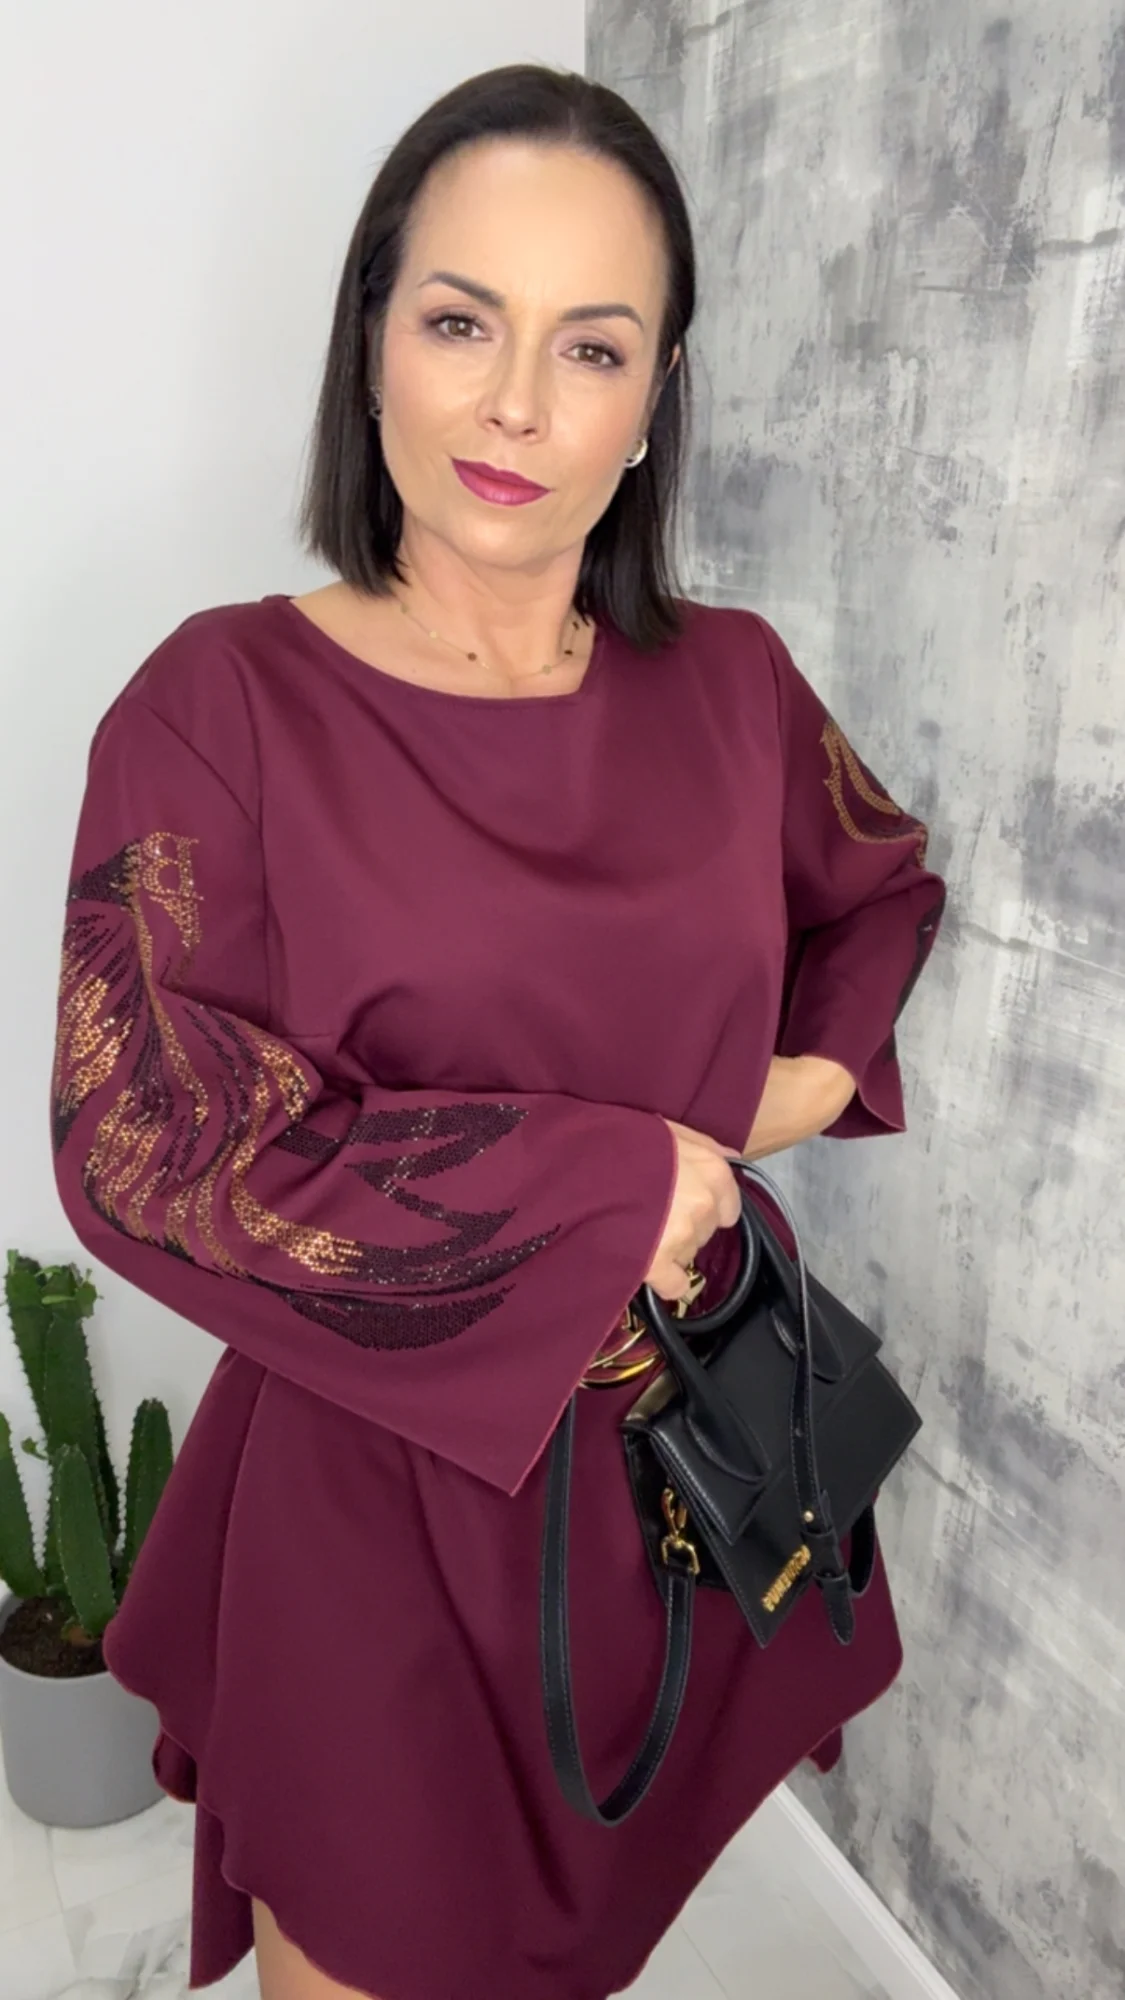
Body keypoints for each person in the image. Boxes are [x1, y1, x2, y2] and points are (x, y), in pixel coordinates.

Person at [49, 61, 946, 2000]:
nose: (520, 404)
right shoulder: (221, 707)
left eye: (592, 347)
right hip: (379, 1515)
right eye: (462, 321)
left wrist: (779, 1094)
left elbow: (879, 885)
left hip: (681, 1470)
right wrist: (622, 1180)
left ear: (657, 394)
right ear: (371, 331)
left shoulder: (733, 685)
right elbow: (148, 1144)